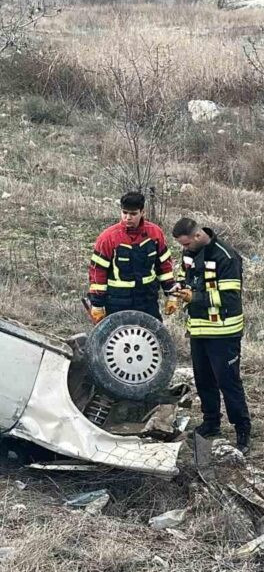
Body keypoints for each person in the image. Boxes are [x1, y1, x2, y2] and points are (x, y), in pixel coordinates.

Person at [170, 217, 251, 454]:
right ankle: (211, 423)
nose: (184, 249)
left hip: (224, 332)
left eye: (186, 244)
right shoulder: (190, 254)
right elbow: (191, 279)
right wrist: (180, 287)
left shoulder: (226, 256)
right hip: (199, 329)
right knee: (204, 380)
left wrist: (194, 298)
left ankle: (242, 429)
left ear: (197, 236)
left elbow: (229, 298)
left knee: (228, 382)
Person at [88, 191, 177, 323]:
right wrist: (97, 304)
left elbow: (164, 266)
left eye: (133, 214)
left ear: (142, 212)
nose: (128, 217)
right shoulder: (108, 238)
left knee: (152, 337)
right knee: (118, 340)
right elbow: (97, 272)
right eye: (125, 213)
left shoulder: (155, 233)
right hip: (117, 303)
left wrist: (171, 294)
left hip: (147, 301)